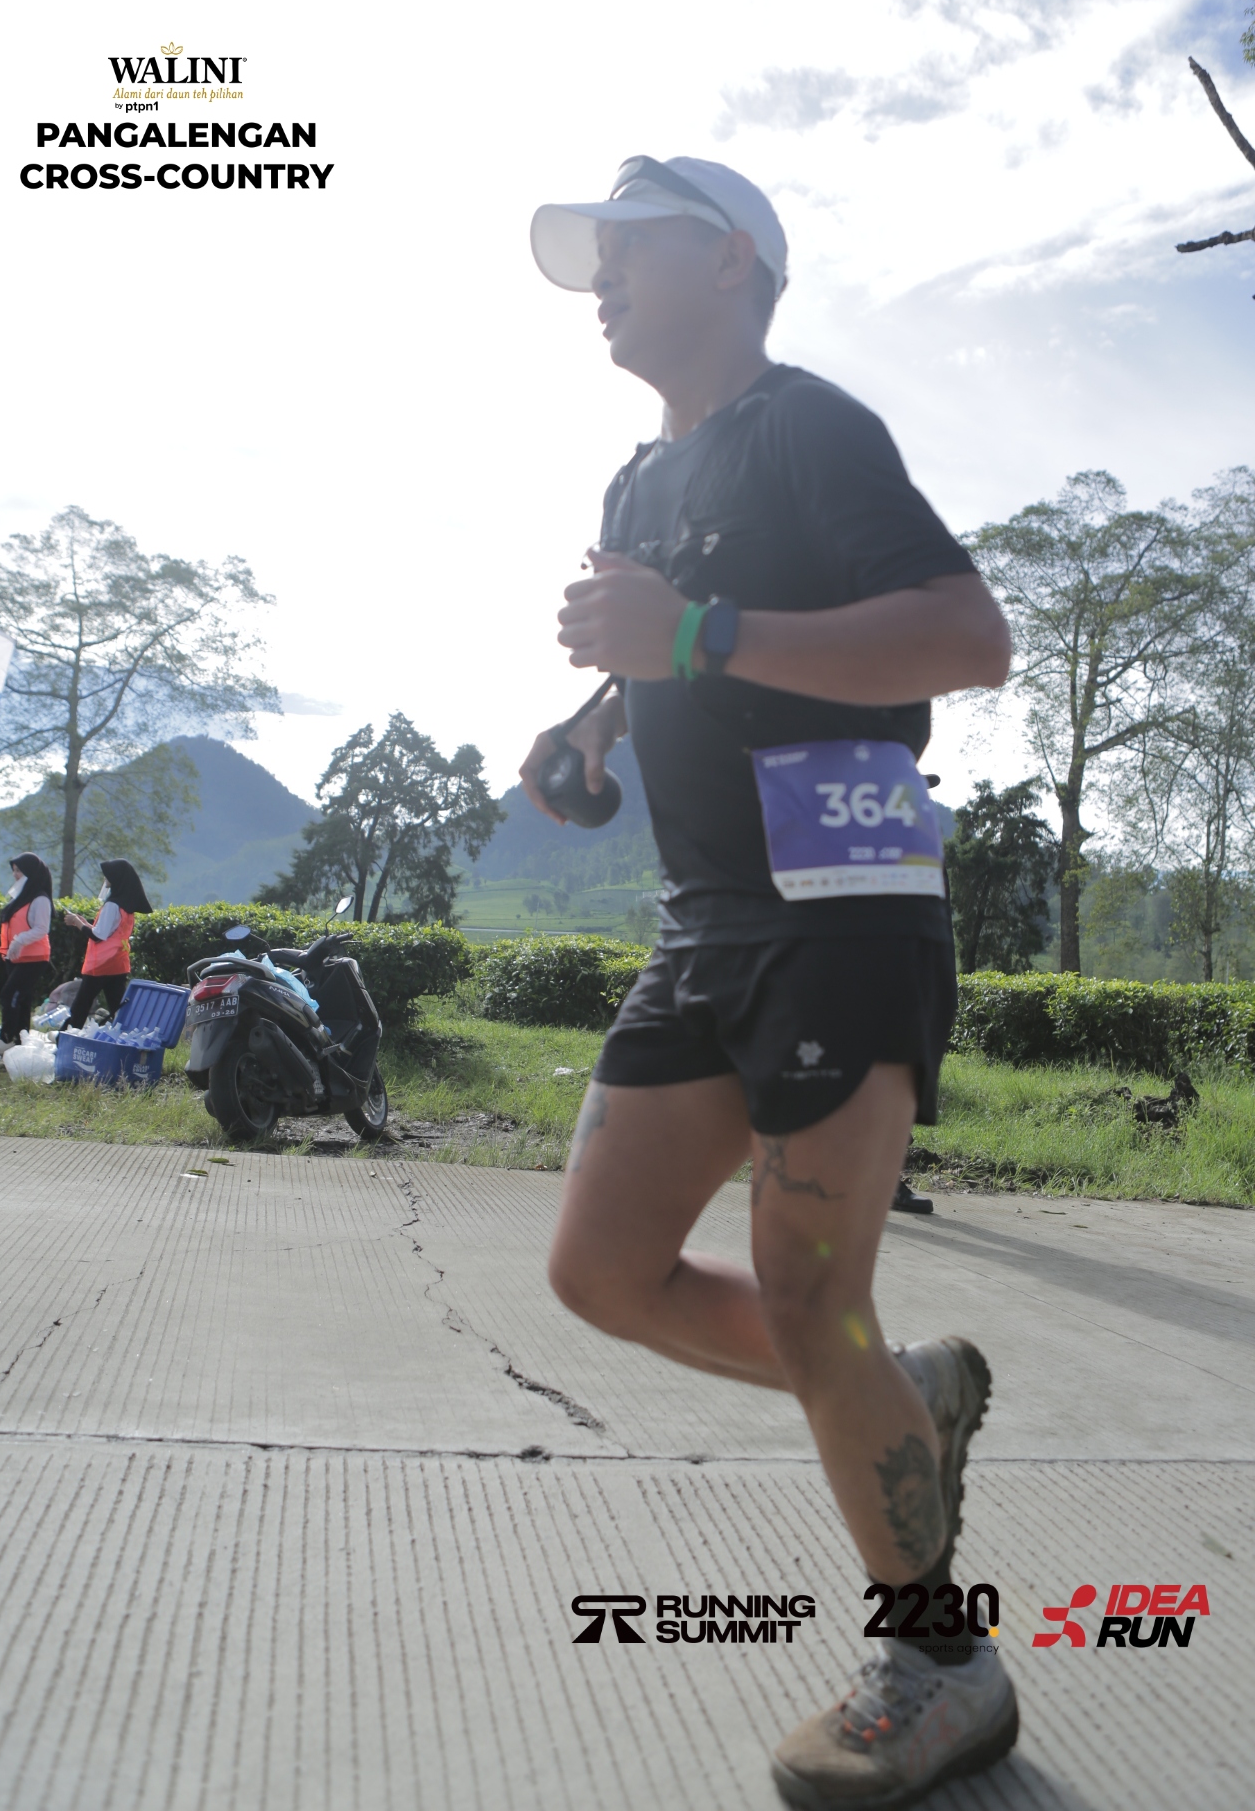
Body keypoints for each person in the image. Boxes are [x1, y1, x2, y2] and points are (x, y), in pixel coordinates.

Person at [522, 155, 1016, 1808]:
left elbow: (967, 638)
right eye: (590, 257)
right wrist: (592, 731)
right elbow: (663, 650)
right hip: (708, 922)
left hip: (846, 899)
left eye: (629, 247)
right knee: (601, 1271)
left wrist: (700, 636)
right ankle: (905, 1396)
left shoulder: (809, 427)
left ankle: (942, 1663)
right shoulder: (636, 479)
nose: (600, 278)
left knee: (813, 1296)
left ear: (732, 261)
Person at [61, 859, 153, 1028]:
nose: (105, 879)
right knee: (118, 1007)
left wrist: (76, 923)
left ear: (117, 878)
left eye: (108, 875)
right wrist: (84, 923)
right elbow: (109, 932)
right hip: (118, 963)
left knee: (81, 1005)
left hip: (101, 964)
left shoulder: (112, 905)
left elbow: (98, 936)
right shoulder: (126, 907)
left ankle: (69, 1036)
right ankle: (126, 1034)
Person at [0, 854, 54, 1056]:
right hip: (16, 957)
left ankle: (6, 1038)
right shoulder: (21, 897)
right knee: (22, 999)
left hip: (34, 958)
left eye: (19, 870)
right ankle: (21, 1040)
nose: (15, 874)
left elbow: (42, 928)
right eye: (14, 870)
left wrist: (20, 940)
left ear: (30, 872)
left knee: (9, 993)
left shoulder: (40, 899)